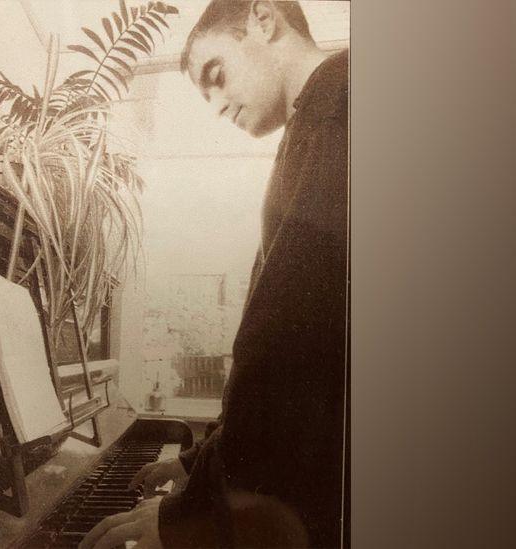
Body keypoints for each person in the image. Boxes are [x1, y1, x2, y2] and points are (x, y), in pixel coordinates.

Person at [79, 0, 348, 547]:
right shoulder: (323, 115)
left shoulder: (339, 104)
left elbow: (287, 346)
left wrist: (191, 518)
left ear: (264, 18)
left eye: (217, 76)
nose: (218, 105)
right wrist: (201, 462)